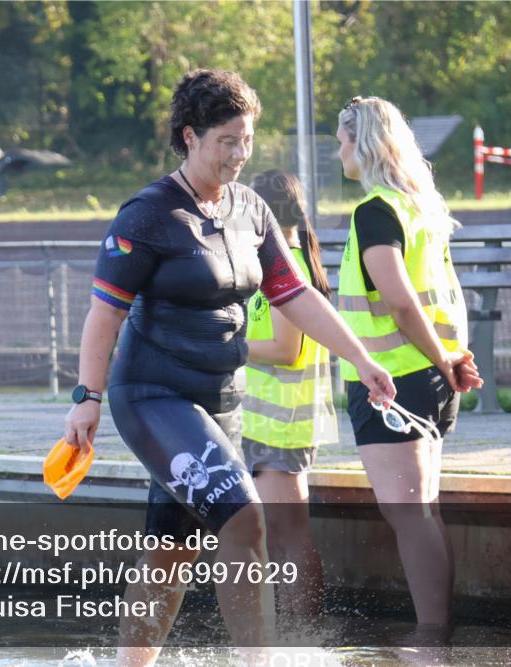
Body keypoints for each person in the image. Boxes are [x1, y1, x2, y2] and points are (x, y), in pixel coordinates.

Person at [63, 71, 396, 666]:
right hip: (153, 397)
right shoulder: (148, 215)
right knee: (245, 518)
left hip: (220, 402)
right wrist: (87, 398)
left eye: (247, 140)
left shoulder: (251, 209)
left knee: (172, 551)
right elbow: (104, 315)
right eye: (227, 141)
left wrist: (361, 358)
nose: (240, 154)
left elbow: (295, 294)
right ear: (190, 136)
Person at [334, 96, 483, 638]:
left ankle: (431, 638)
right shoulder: (421, 207)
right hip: (429, 377)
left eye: (342, 142)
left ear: (364, 143)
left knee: (408, 514)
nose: (339, 153)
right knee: (424, 511)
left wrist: (443, 360)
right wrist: (449, 362)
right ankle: (436, 633)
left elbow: (399, 300)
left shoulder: (376, 211)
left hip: (393, 381)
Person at [242, 170, 336, 617]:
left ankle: (304, 633)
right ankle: (283, 630)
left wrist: (227, 345)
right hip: (264, 424)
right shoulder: (275, 263)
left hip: (283, 425)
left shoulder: (288, 265)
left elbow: (285, 348)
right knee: (273, 536)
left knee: (288, 536)